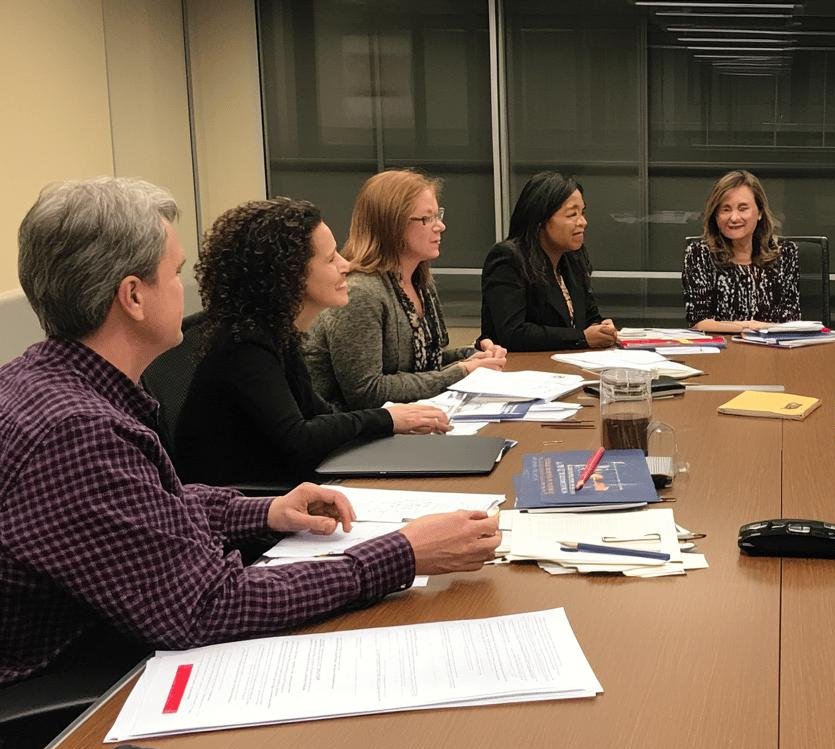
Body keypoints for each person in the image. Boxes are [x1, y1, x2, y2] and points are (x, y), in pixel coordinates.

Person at [0, 177, 503, 693]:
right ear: (132, 296)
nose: (185, 289)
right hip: (82, 690)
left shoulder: (43, 380)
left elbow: (146, 506)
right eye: (174, 274)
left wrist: (261, 510)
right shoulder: (76, 432)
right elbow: (207, 606)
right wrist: (402, 553)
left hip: (116, 636)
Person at [173, 198, 455, 487]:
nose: (346, 265)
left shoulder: (278, 332)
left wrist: (390, 422)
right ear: (290, 273)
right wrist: (387, 419)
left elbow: (318, 415)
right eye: (332, 258)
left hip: (286, 488)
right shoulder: (243, 345)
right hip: (248, 507)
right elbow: (299, 438)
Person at [306, 169, 507, 410]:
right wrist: (461, 371)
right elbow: (367, 391)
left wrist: (472, 356)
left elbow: (423, 366)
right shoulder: (360, 292)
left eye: (438, 215)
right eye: (426, 218)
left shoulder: (419, 282)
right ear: (392, 225)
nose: (440, 226)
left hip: (403, 423)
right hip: (347, 432)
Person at [479, 171, 616, 351]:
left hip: (568, 366)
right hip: (519, 370)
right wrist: (581, 337)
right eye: (571, 214)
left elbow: (590, 318)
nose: (583, 222)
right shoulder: (508, 258)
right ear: (540, 220)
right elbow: (513, 333)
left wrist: (602, 329)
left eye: (582, 212)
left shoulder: (572, 257)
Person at [681, 170, 801, 332]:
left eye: (743, 208)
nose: (734, 217)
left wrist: (735, 326)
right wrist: (749, 326)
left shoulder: (785, 253)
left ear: (759, 212)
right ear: (716, 216)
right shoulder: (699, 254)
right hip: (720, 349)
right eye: (726, 209)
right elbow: (698, 321)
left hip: (773, 349)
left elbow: (791, 319)